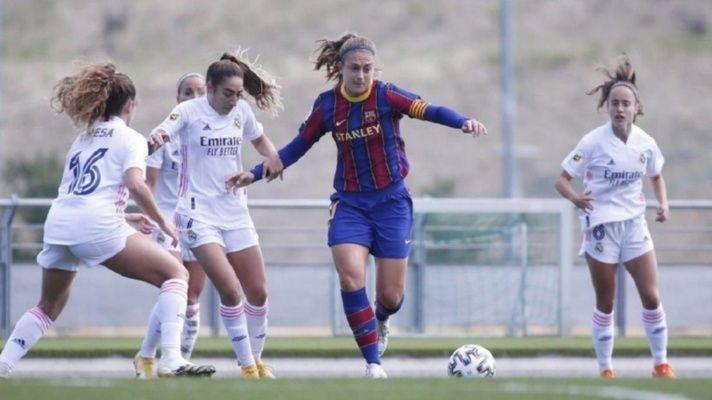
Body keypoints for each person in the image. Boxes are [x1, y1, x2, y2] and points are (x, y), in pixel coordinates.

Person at [226, 33, 487, 378]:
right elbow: (298, 146)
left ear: (374, 69)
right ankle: (373, 363)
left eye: (367, 69)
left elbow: (430, 110)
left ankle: (381, 318)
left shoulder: (387, 95)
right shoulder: (327, 106)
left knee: (391, 297)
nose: (361, 75)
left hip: (392, 203)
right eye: (354, 68)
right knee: (351, 276)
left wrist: (463, 121)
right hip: (350, 204)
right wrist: (256, 173)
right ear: (341, 68)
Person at [0, 63, 213, 378]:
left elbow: (81, 193)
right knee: (176, 274)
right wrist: (163, 222)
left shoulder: (82, 139)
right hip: (96, 226)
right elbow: (136, 184)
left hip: (59, 225)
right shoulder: (131, 138)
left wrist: (125, 217)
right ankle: (170, 358)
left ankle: (3, 365)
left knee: (48, 307)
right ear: (129, 105)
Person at [148, 51, 283, 379]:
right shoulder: (189, 111)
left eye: (238, 94)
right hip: (197, 215)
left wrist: (271, 159)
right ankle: (247, 366)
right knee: (230, 291)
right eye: (228, 94)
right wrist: (155, 140)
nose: (234, 100)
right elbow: (163, 131)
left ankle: (257, 359)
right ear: (209, 88)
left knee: (259, 292)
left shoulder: (241, 112)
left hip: (235, 212)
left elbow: (261, 142)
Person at [555, 56, 675, 379]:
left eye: (625, 103)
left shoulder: (645, 143)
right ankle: (605, 369)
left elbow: (656, 176)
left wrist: (663, 204)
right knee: (606, 302)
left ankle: (661, 364)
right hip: (601, 228)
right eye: (614, 103)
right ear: (606, 107)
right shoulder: (592, 142)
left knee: (651, 296)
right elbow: (562, 180)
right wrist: (577, 199)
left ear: (636, 108)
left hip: (634, 226)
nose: (620, 109)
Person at [133, 73, 209, 379]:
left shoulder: (213, 134)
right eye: (187, 92)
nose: (193, 98)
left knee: (192, 297)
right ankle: (159, 358)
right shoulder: (163, 135)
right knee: (175, 283)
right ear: (177, 99)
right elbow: (148, 184)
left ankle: (172, 359)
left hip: (199, 221)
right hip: (168, 222)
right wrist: (152, 221)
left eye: (199, 92)